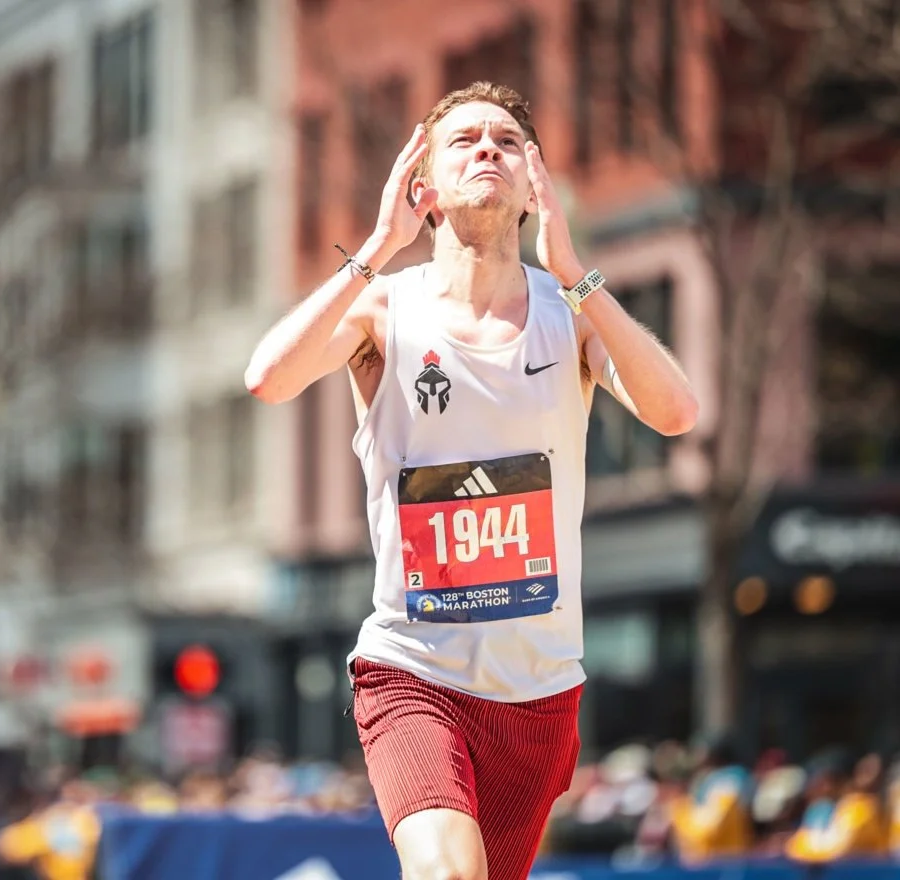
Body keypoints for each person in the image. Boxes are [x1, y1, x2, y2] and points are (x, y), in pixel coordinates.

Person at [245, 81, 698, 880]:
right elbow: (268, 379)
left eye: (507, 141)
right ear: (423, 185)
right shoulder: (384, 309)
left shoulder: (571, 313)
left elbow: (676, 413)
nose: (488, 148)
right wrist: (376, 246)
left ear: (534, 184)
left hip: (539, 692)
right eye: (464, 140)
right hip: (413, 669)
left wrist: (577, 273)